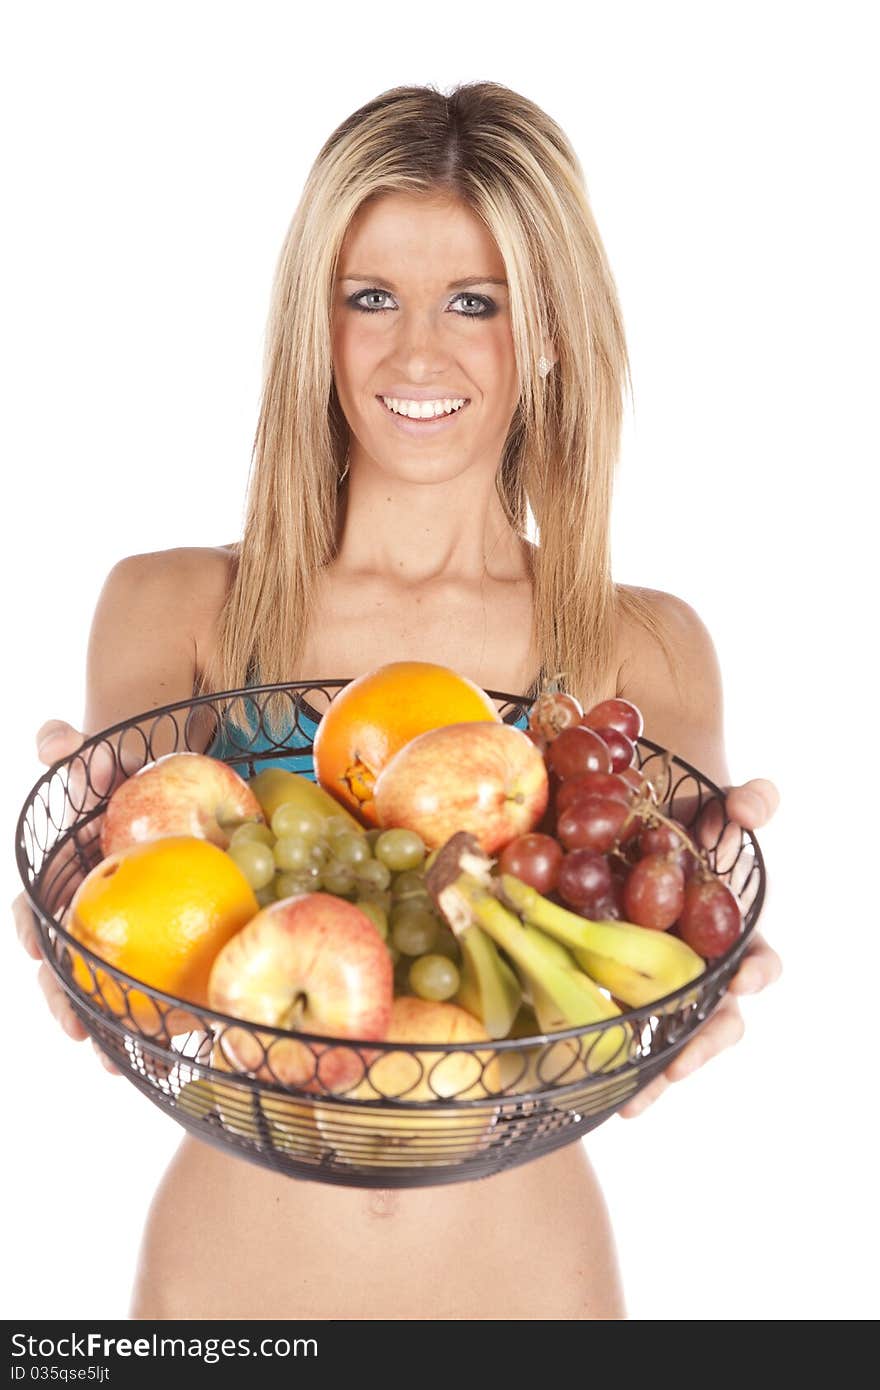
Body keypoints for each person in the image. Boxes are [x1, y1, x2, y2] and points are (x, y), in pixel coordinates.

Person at [13, 80, 781, 1320]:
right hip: (230, 1290)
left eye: (475, 303)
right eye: (370, 297)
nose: (416, 352)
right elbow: (115, 884)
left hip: (530, 1285)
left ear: (551, 333)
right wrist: (64, 893)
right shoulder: (174, 610)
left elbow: (665, 933)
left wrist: (708, 962)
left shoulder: (644, 647)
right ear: (312, 327)